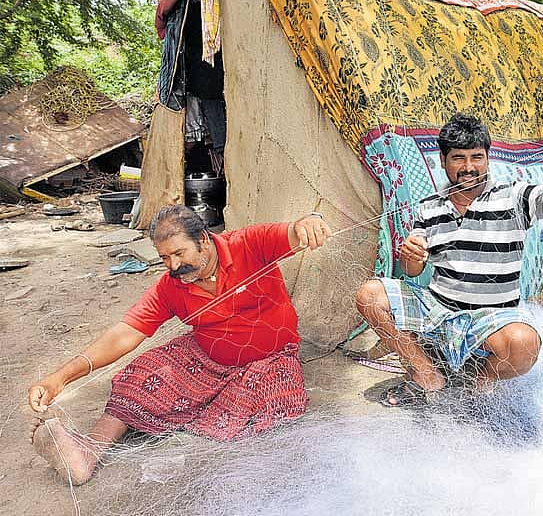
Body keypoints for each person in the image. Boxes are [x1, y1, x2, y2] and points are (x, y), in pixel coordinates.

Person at [28, 205, 332, 484]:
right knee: (141, 376)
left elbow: (293, 232)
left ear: (203, 240)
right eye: (163, 258)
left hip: (269, 360)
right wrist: (61, 378)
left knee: (274, 403)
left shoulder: (249, 244)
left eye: (178, 253)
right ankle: (85, 453)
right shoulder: (170, 286)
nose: (173, 265)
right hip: (204, 358)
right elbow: (125, 333)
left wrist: (310, 222)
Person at [356, 113, 543, 407]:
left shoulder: (514, 197)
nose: (469, 167)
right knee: (369, 295)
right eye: (458, 158)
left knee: (524, 344)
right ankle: (426, 374)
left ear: (487, 159)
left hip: (492, 317)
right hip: (439, 311)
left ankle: (479, 381)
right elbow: (412, 270)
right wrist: (412, 255)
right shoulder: (429, 208)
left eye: (477, 157)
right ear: (443, 160)